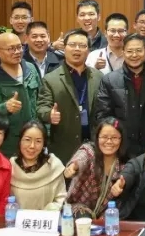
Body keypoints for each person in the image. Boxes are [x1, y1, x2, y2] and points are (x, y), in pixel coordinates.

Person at [37, 29, 102, 166]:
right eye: (72, 45)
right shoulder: (51, 79)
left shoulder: (98, 77)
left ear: (88, 50)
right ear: (64, 48)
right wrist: (49, 114)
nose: (77, 49)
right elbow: (42, 107)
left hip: (93, 145)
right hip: (64, 146)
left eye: (82, 45)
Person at [94, 33, 145, 160]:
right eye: (130, 51)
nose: (134, 55)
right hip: (121, 150)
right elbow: (103, 116)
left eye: (138, 50)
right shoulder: (109, 80)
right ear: (123, 52)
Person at [0, 32, 42, 158]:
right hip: (9, 143)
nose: (17, 52)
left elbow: (41, 99)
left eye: (19, 47)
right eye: (11, 49)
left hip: (34, 140)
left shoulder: (30, 69)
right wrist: (5, 107)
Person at [64, 122, 125, 218]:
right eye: (104, 137)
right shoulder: (89, 151)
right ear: (97, 138)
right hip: (79, 208)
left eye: (114, 138)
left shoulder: (123, 165)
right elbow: (81, 158)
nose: (109, 141)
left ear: (121, 140)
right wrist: (73, 167)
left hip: (107, 213)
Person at [9, 122, 66, 211]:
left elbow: (61, 199)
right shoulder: (10, 167)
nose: (32, 146)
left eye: (38, 141)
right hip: (15, 219)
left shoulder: (53, 165)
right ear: (20, 141)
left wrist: (48, 211)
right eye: (27, 140)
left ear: (44, 144)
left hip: (46, 218)